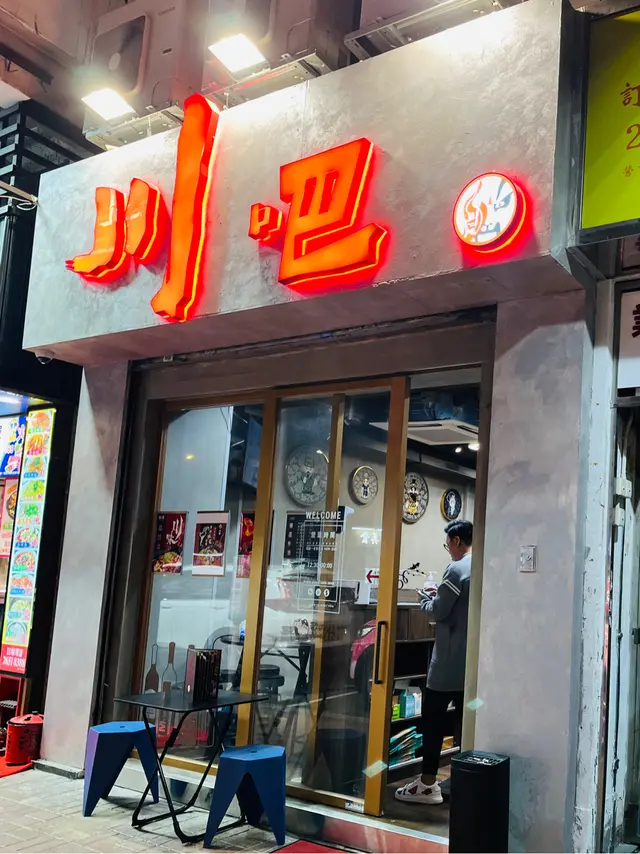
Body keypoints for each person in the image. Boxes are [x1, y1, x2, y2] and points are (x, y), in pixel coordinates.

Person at [394, 519, 473, 805]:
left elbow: (439, 611)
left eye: (448, 543)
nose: (448, 549)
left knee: (433, 721)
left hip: (448, 662)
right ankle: (465, 779)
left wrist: (424, 601)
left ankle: (427, 784)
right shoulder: (481, 565)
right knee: (465, 723)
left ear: (456, 540)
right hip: (470, 663)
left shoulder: (456, 569)